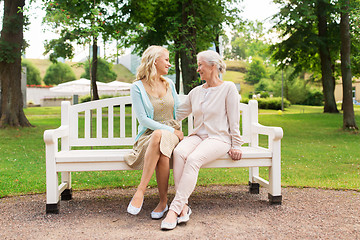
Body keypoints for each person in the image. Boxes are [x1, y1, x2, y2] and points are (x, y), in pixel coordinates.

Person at [161, 50, 243, 230]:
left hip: (219, 139)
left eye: (200, 65)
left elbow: (234, 119)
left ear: (213, 66)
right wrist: (155, 119)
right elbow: (178, 114)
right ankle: (184, 206)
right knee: (179, 152)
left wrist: (236, 144)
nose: (198, 69)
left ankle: (173, 210)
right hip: (198, 136)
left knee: (193, 159)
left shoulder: (228, 88)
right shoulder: (196, 92)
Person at [124, 46, 184, 219]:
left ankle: (140, 192)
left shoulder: (169, 83)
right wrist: (170, 130)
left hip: (172, 134)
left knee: (160, 136)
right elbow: (143, 120)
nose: (169, 64)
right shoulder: (137, 87)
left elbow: (179, 110)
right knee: (162, 150)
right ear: (154, 60)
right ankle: (164, 202)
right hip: (148, 135)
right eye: (166, 59)